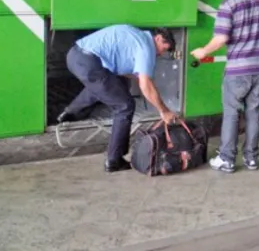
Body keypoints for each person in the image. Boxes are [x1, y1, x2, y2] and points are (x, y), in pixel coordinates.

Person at [57, 26, 178, 173]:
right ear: (158, 38)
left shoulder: (137, 36)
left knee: (108, 85)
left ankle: (69, 113)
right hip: (89, 63)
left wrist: (142, 77)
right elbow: (145, 85)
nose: (160, 54)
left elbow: (128, 71)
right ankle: (114, 160)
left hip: (75, 55)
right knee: (125, 106)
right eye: (163, 49)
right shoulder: (147, 47)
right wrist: (164, 111)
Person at [191, 0, 259, 173]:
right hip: (258, 68)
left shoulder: (228, 5)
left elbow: (221, 38)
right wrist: (254, 33)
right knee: (253, 113)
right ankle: (252, 159)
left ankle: (227, 159)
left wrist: (203, 51)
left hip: (237, 70)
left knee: (231, 113)